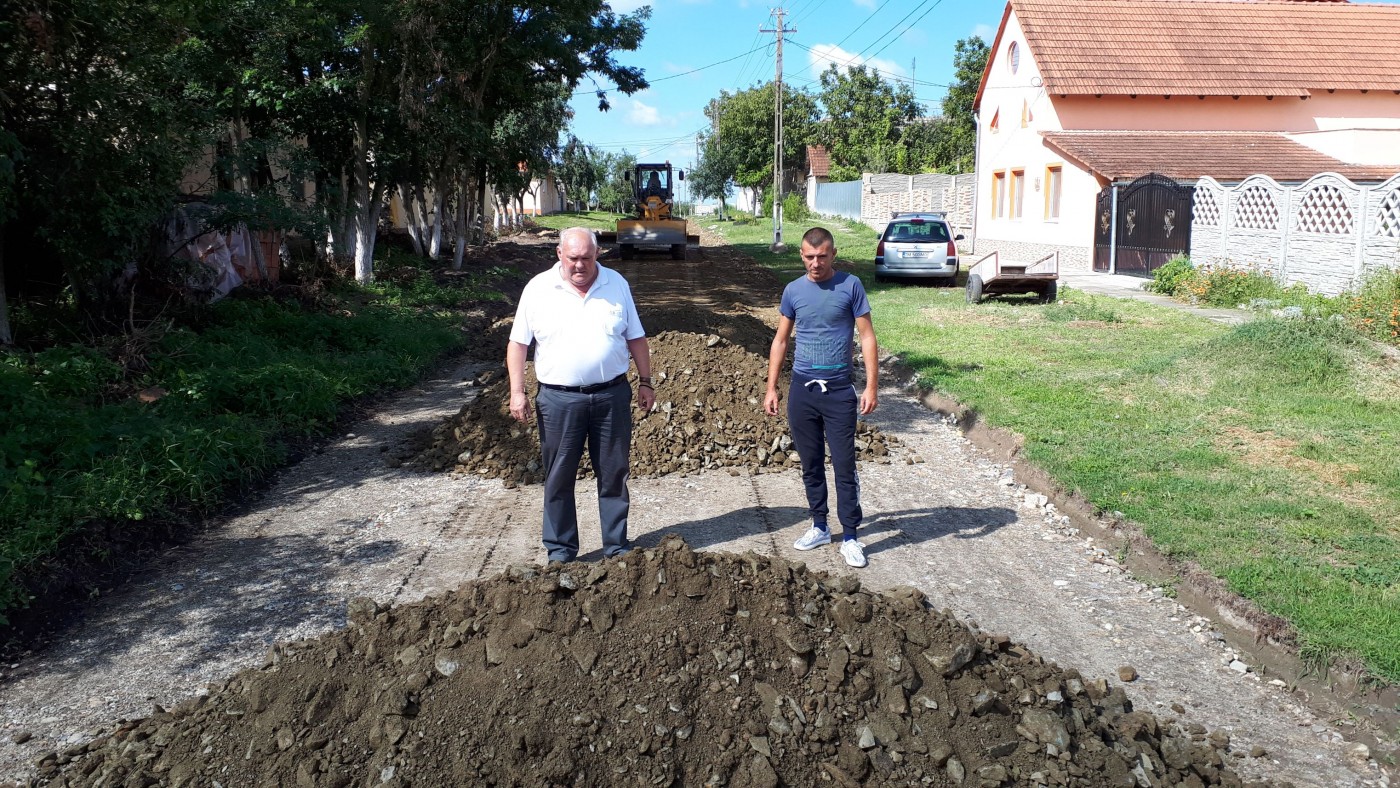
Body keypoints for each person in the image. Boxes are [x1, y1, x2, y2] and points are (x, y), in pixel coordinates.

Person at [506, 227, 656, 563]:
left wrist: (646, 381)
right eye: (573, 257)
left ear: (597, 253)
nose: (579, 265)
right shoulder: (538, 289)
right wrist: (517, 391)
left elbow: (635, 337)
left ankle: (616, 547)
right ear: (559, 254)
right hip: (558, 401)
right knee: (559, 476)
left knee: (614, 474)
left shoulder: (616, 284)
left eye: (586, 257)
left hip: (611, 397)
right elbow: (518, 344)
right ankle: (561, 550)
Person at [763, 227, 879, 568]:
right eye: (810, 257)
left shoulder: (851, 286)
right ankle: (819, 526)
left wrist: (872, 386)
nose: (816, 263)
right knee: (810, 464)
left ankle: (851, 536)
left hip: (839, 390)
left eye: (822, 256)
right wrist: (772, 387)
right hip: (803, 390)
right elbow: (780, 340)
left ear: (833, 254)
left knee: (844, 465)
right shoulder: (793, 291)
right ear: (801, 255)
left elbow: (867, 337)